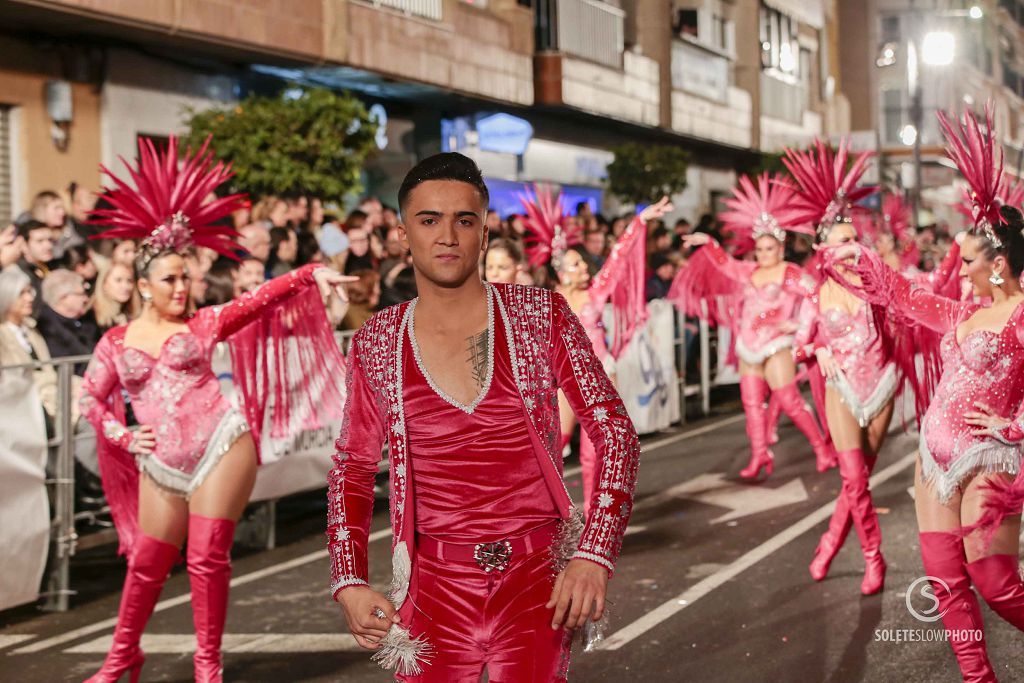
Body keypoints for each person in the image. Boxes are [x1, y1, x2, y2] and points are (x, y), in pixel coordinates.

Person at [326, 153, 640, 681]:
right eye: (429, 220)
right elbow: (352, 469)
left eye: (464, 220)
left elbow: (616, 434)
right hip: (432, 590)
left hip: (537, 580)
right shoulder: (376, 340)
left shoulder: (542, 315)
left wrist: (593, 554)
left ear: (485, 235)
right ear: (403, 235)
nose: (447, 235)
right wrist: (349, 580)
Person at [79, 136, 353, 683]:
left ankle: (208, 667)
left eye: (187, 277)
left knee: (206, 558)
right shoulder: (113, 340)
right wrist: (122, 435)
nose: (183, 287)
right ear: (142, 286)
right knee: (148, 564)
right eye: (170, 280)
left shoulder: (204, 323)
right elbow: (87, 397)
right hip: (160, 463)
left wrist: (308, 275)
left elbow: (258, 299)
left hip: (221, 445)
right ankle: (121, 658)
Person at [825, 107, 1024, 681]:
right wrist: (861, 259)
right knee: (944, 577)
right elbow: (907, 298)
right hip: (932, 463)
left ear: (1000, 262)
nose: (957, 272)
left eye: (967, 263)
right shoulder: (965, 312)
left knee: (995, 581)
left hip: (991, 457)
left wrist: (1013, 428)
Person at [783, 139, 894, 596]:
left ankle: (830, 540)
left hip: (882, 385)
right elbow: (796, 346)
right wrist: (817, 351)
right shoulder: (814, 295)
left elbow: (914, 301)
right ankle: (873, 558)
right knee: (852, 477)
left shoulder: (876, 281)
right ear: (821, 246)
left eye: (855, 242)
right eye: (842, 242)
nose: (852, 249)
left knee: (860, 480)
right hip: (841, 389)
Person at [522, 183, 670, 516]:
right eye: (576, 265)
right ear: (560, 270)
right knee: (553, 444)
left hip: (598, 374)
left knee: (593, 448)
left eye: (584, 264)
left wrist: (639, 222)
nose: (585, 269)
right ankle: (544, 508)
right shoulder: (547, 301)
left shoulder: (594, 293)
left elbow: (618, 261)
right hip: (561, 379)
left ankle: (593, 511)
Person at [674, 174, 834, 477]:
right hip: (748, 345)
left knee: (789, 399)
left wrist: (797, 325)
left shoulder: (790, 273)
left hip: (776, 345)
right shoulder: (748, 271)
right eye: (759, 249)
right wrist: (708, 242)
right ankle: (760, 455)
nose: (763, 255)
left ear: (781, 249)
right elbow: (724, 264)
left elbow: (817, 295)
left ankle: (821, 450)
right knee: (751, 404)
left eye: (769, 249)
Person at [0, 268, 59, 422]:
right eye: (22, 293)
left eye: (30, 291)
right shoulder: (2, 335)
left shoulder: (32, 330)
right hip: (22, 405)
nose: (29, 298)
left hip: (50, 396)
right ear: (7, 296)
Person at [36, 269, 100, 373]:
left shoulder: (86, 321)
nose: (86, 299)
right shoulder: (48, 328)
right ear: (63, 297)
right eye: (81, 294)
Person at [16, 219, 55, 318]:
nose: (48, 246)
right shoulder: (21, 274)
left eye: (50, 240)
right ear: (24, 245)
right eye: (40, 241)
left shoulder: (52, 266)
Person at [93, 263, 140, 331]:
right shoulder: (92, 319)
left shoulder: (135, 314)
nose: (125, 286)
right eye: (118, 280)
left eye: (129, 281)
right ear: (104, 284)